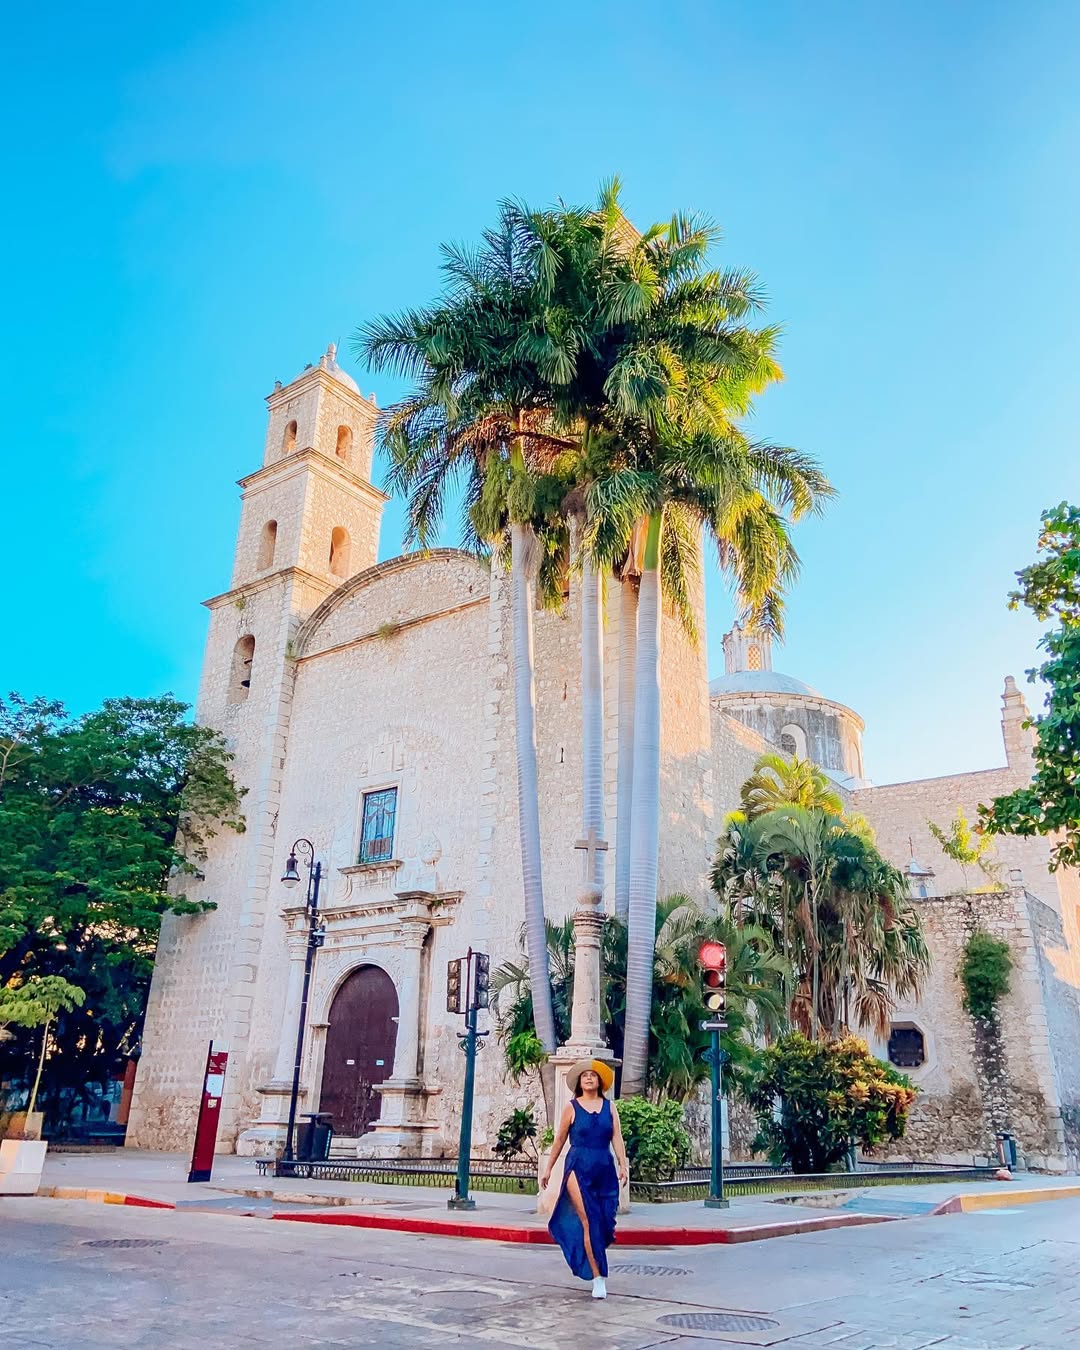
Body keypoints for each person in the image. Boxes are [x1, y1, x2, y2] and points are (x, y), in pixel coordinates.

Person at [540, 1059, 628, 1300]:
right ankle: (598, 1277)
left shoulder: (610, 1107)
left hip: (604, 1167)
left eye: (593, 1075)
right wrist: (548, 1169)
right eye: (584, 1076)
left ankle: (593, 1256)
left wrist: (623, 1164)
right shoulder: (571, 1107)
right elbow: (559, 1140)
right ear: (579, 1082)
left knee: (603, 1222)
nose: (589, 1078)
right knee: (589, 1220)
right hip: (578, 1168)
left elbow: (617, 1138)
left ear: (600, 1081)